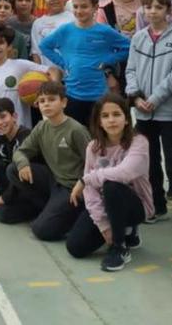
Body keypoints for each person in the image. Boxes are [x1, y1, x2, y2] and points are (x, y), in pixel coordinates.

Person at [125, 0, 172, 233]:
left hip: (169, 112)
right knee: (149, 162)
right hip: (143, 112)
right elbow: (130, 69)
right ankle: (156, 205)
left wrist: (154, 98)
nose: (152, 11)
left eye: (158, 7)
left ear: (167, 10)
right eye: (148, 7)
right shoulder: (138, 38)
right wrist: (136, 96)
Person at [65, 94, 153, 272]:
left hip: (136, 206)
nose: (111, 120)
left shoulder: (139, 143)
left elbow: (124, 173)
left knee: (112, 185)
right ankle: (122, 231)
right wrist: (103, 225)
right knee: (76, 247)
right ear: (99, 122)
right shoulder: (94, 147)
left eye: (117, 114)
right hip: (106, 205)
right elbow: (90, 192)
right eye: (105, 116)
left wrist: (85, 179)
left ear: (127, 119)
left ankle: (119, 247)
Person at [0, 81, 90, 241]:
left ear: (64, 102)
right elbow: (20, 152)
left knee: (41, 231)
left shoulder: (76, 130)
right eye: (42, 101)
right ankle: (48, 208)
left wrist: (82, 184)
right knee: (13, 169)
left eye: (52, 99)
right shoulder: (41, 127)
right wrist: (23, 163)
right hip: (53, 181)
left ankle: (74, 213)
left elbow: (93, 163)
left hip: (72, 188)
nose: (46, 104)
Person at [40, 0, 131, 126]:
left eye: (84, 6)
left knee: (98, 138)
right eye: (75, 7)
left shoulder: (104, 31)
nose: (79, 11)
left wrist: (108, 60)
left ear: (95, 7)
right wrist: (64, 62)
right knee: (76, 138)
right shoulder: (66, 30)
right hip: (72, 95)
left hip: (99, 96)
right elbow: (44, 46)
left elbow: (128, 47)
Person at [0, 24, 58, 129]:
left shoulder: (20, 65)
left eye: (1, 43)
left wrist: (51, 91)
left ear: (9, 47)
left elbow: (53, 70)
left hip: (21, 131)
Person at [30, 0, 74, 67]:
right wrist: (40, 72)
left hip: (71, 73)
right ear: (44, 0)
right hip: (48, 74)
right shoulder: (38, 23)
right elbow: (36, 52)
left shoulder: (74, 18)